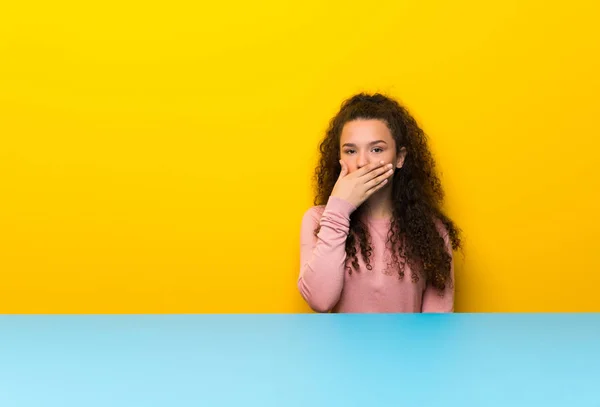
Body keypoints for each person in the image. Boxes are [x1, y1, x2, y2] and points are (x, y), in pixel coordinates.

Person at [298, 93, 462, 313]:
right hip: (340, 349)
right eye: (350, 151)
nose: (362, 161)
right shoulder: (318, 220)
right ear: (339, 158)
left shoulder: (431, 231)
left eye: (376, 149)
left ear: (400, 158)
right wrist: (338, 209)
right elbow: (320, 301)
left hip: (410, 348)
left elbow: (437, 325)